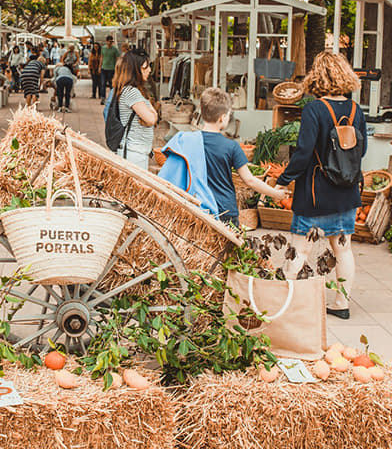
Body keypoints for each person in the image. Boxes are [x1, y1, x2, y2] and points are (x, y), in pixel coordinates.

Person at [275, 51, 366, 320]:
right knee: (343, 247)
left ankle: (286, 303)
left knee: (301, 248)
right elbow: (362, 151)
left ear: (318, 76)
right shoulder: (355, 109)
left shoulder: (314, 109)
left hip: (315, 193)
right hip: (347, 191)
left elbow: (303, 152)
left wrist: (284, 178)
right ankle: (341, 303)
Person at [159, 87, 289, 226]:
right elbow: (250, 180)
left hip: (197, 208)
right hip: (225, 211)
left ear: (202, 113)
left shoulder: (186, 141)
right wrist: (275, 194)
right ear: (223, 118)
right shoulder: (231, 146)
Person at [112, 51, 158, 170]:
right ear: (135, 70)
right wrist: (152, 112)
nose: (149, 71)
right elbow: (151, 119)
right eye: (145, 67)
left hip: (136, 151)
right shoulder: (132, 92)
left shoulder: (133, 91)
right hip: (133, 153)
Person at [100, 35, 120, 105]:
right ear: (106, 41)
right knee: (103, 84)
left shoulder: (115, 49)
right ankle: (103, 98)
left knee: (112, 84)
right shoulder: (103, 48)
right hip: (104, 68)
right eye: (109, 41)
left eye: (111, 42)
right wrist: (100, 67)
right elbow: (102, 57)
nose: (110, 43)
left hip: (111, 69)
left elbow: (117, 58)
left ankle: (112, 98)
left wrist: (117, 68)